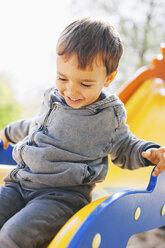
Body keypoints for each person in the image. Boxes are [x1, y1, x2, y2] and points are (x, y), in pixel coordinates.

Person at [0, 17, 165, 248]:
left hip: (60, 197)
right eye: (62, 78)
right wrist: (7, 132)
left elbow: (125, 145)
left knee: (12, 236)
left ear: (108, 78)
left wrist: (148, 151)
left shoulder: (108, 116)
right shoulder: (52, 98)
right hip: (19, 183)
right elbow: (35, 126)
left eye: (85, 84)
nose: (71, 90)